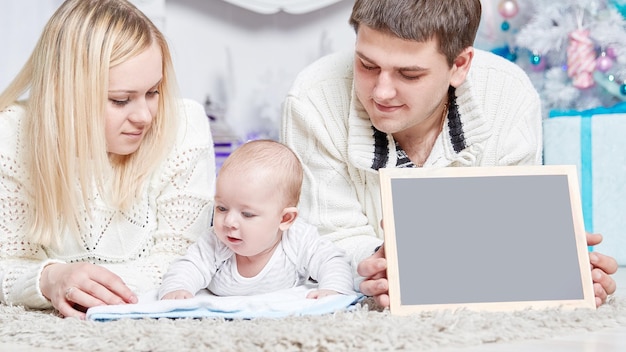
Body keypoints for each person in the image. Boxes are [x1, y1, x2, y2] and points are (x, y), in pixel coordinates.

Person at [280, 0, 618, 308]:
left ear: (460, 64)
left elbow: (508, 233)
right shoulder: (313, 99)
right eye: (367, 65)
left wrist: (556, 263)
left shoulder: (509, 94)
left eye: (409, 74)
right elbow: (327, 234)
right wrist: (378, 262)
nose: (381, 92)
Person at [0, 0, 215, 319]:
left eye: (153, 92)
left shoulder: (184, 127)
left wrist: (79, 284)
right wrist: (50, 279)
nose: (144, 116)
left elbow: (183, 262)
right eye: (121, 100)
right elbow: (8, 261)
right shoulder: (11, 134)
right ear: (66, 94)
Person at [158, 139, 354, 300]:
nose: (229, 222)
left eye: (247, 214)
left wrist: (333, 289)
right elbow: (188, 266)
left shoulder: (297, 239)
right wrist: (177, 289)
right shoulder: (215, 242)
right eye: (222, 208)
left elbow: (332, 261)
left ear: (285, 218)